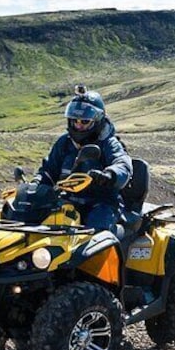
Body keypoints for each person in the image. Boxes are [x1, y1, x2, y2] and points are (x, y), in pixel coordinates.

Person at [32, 85, 132, 237]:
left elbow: (122, 163)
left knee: (95, 233)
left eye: (85, 121)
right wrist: (36, 184)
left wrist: (110, 175)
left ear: (97, 120)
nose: (78, 125)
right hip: (68, 200)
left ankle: (101, 258)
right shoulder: (64, 143)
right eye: (75, 120)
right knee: (35, 222)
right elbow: (48, 171)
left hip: (101, 202)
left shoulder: (108, 143)